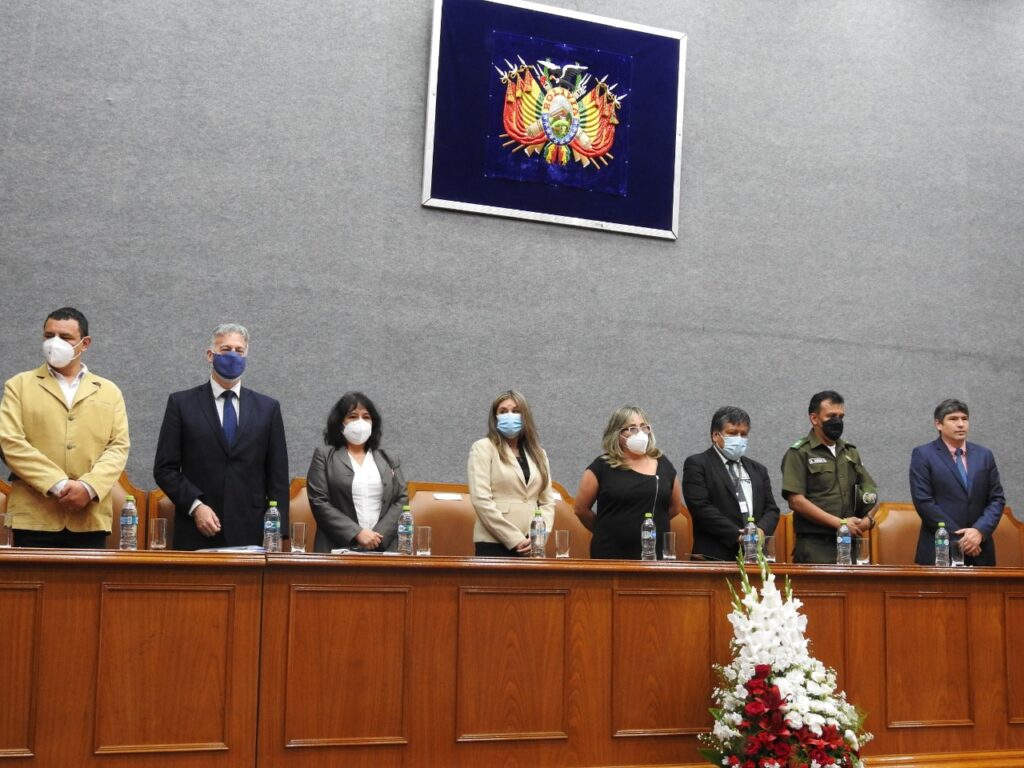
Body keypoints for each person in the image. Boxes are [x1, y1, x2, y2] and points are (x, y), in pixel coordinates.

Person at [0, 307, 130, 548]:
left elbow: (118, 447)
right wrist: (59, 485)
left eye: (65, 337)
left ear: (85, 343)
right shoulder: (18, 385)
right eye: (49, 336)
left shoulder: (109, 391)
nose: (55, 343)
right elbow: (10, 443)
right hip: (33, 518)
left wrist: (88, 488)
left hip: (90, 517)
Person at [153, 323, 289, 550]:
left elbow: (278, 476)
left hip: (251, 532)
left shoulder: (268, 408)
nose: (233, 356)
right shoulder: (181, 404)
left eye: (239, 351)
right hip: (197, 530)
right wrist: (196, 506)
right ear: (210, 355)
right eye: (226, 349)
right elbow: (165, 469)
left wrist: (277, 534)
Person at [781, 390, 877, 564]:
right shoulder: (800, 452)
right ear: (814, 419)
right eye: (831, 416)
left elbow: (870, 493)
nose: (837, 421)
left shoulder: (850, 452)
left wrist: (868, 520)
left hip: (850, 545)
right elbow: (796, 501)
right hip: (816, 547)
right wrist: (839, 523)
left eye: (841, 416)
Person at [574, 405, 683, 560]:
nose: (640, 433)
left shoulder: (663, 464)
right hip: (610, 554)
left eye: (644, 427)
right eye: (632, 429)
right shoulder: (602, 466)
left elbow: (675, 508)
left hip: (653, 555)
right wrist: (606, 529)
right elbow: (581, 509)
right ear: (617, 434)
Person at [306, 392, 408, 552]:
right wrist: (357, 533)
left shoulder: (388, 458)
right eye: (353, 416)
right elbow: (319, 501)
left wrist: (377, 537)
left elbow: (401, 499)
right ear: (340, 423)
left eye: (366, 417)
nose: (360, 422)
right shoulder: (324, 456)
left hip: (383, 547)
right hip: (336, 548)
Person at [909, 399, 1005, 566]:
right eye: (953, 419)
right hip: (940, 548)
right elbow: (924, 501)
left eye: (964, 419)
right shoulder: (923, 455)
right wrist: (964, 539)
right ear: (939, 424)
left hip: (980, 548)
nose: (961, 424)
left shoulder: (984, 455)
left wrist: (979, 532)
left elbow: (997, 499)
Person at [683, 406, 780, 561]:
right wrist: (738, 535)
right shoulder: (698, 464)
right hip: (713, 557)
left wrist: (761, 531)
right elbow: (700, 507)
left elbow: (771, 509)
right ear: (716, 435)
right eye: (733, 433)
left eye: (744, 434)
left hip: (754, 556)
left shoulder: (758, 470)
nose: (739, 439)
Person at [467, 390, 556, 557]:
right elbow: (481, 500)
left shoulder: (539, 453)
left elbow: (547, 502)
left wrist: (539, 537)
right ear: (495, 418)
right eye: (503, 411)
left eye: (516, 411)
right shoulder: (483, 447)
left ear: (525, 416)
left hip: (532, 544)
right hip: (494, 542)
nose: (509, 416)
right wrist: (515, 539)